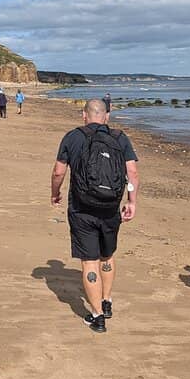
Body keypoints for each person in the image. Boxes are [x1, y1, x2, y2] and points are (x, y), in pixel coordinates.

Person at [50, 99, 139, 333]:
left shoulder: (73, 137)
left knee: (89, 261)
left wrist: (55, 193)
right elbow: (133, 172)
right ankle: (107, 300)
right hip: (110, 208)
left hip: (82, 208)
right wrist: (132, 201)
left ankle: (97, 316)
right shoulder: (120, 138)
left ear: (84, 115)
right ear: (106, 116)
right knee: (107, 256)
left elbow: (59, 171)